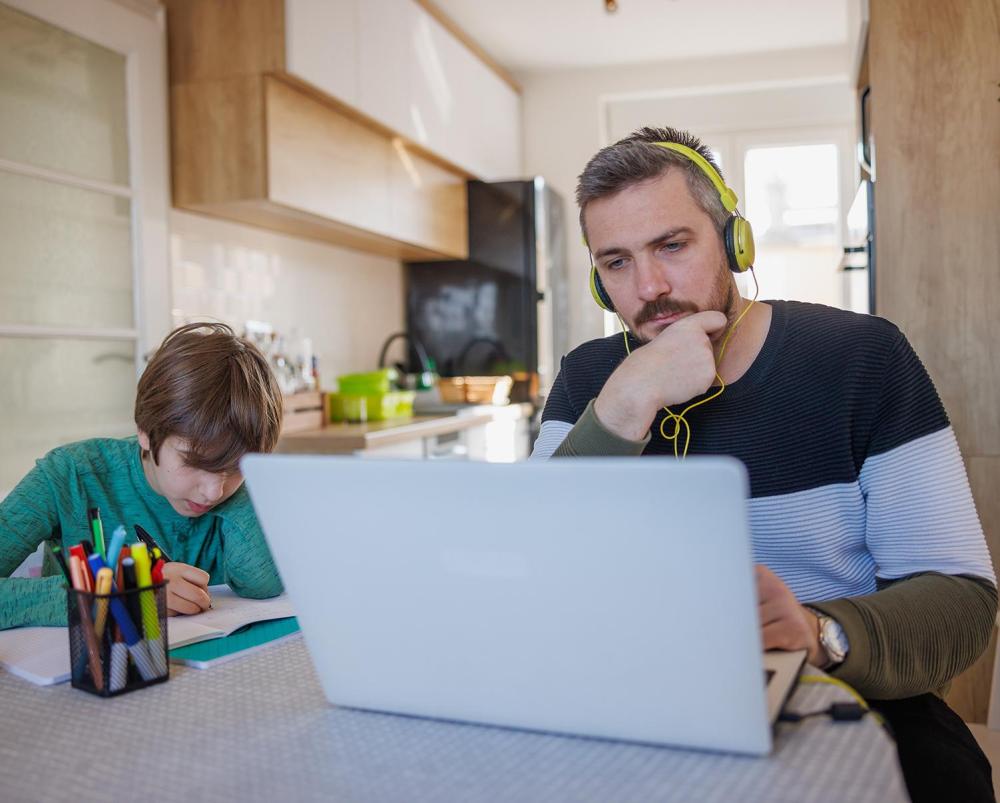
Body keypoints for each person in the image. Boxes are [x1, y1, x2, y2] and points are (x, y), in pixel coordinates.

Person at [533, 126, 997, 802]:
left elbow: (962, 603)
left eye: (672, 245)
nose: (650, 287)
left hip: (854, 695)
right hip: (640, 701)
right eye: (617, 262)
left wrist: (819, 632)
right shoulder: (588, 381)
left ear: (732, 238)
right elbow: (535, 574)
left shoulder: (863, 358)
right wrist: (623, 404)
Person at [0, 322, 284, 629]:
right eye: (197, 463)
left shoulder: (230, 492)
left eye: (238, 466)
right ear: (146, 433)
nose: (214, 492)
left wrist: (241, 465)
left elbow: (263, 585)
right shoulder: (69, 475)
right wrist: (121, 592)